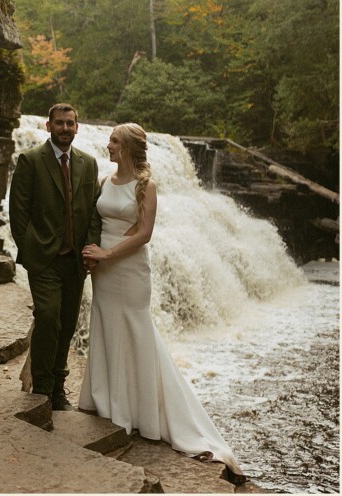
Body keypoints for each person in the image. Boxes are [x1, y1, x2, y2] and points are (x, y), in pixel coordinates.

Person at [79, 123, 244, 477]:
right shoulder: (105, 183)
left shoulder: (145, 185)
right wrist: (93, 255)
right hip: (103, 271)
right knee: (106, 325)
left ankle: (140, 412)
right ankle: (106, 401)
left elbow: (144, 233)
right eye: (109, 140)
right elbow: (97, 221)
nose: (108, 146)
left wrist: (107, 255)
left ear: (127, 148)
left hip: (129, 270)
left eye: (114, 141)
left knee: (136, 332)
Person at [8, 103, 101, 410]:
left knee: (67, 322)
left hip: (75, 261)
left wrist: (89, 249)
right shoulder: (31, 160)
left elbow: (92, 214)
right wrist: (33, 250)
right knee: (48, 317)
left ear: (77, 127)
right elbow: (18, 213)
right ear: (48, 126)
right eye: (59, 123)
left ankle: (58, 387)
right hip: (44, 259)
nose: (64, 128)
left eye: (70, 123)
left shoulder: (88, 164)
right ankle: (42, 389)